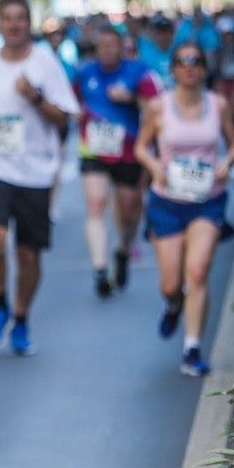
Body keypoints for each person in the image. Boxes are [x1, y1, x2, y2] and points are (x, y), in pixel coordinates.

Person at [0, 0, 78, 356]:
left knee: (28, 255)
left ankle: (21, 316)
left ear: (30, 23)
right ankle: (0, 301)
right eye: (7, 18)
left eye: (21, 18)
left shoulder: (45, 64)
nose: (14, 25)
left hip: (35, 171)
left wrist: (35, 97)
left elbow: (64, 118)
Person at [133, 42, 234, 378]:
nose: (190, 67)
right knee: (170, 283)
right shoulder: (157, 106)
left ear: (205, 68)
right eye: (183, 61)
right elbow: (140, 147)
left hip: (207, 200)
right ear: (174, 68)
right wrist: (154, 166)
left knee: (197, 272)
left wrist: (226, 163)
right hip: (168, 200)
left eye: (196, 61)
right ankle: (173, 303)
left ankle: (192, 348)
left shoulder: (218, 104)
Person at [74, 27, 162, 299]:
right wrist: (77, 115)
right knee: (96, 204)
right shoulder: (84, 74)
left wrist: (132, 99)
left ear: (122, 47)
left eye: (114, 45)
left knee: (128, 211)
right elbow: (70, 102)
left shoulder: (139, 73)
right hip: (94, 151)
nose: (108, 50)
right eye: (103, 46)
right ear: (97, 48)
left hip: (128, 151)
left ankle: (123, 249)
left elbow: (158, 109)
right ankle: (100, 269)